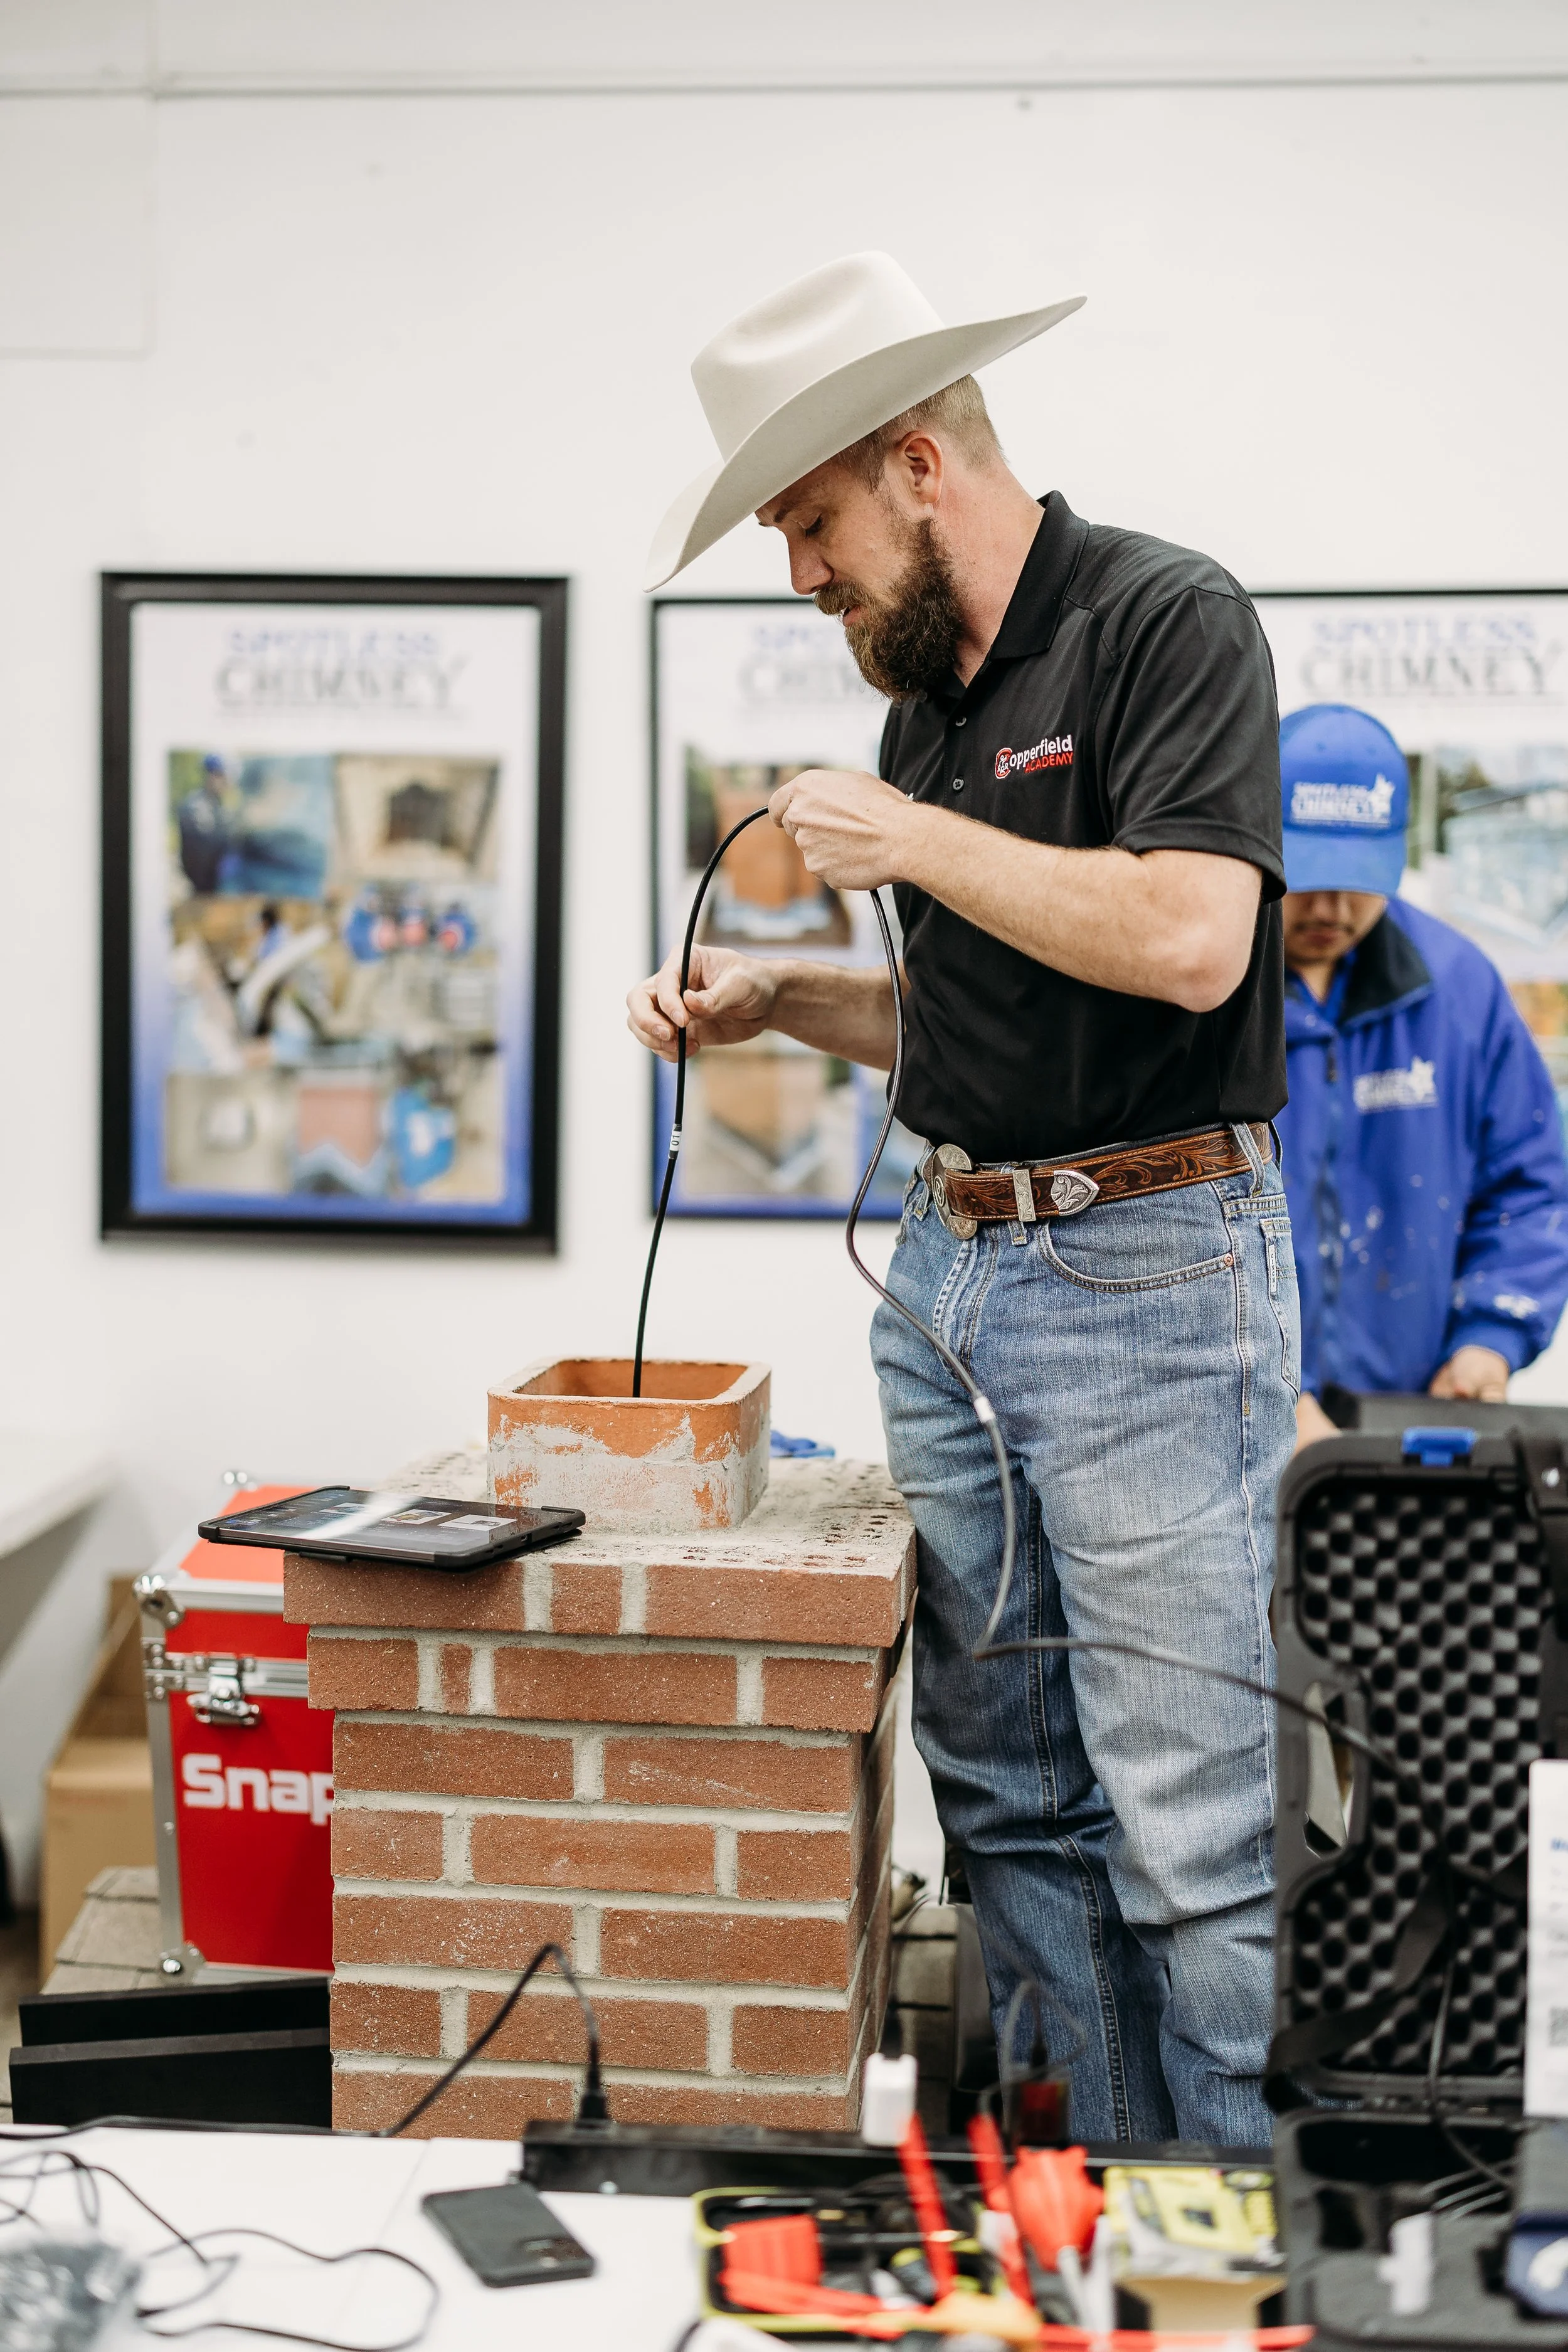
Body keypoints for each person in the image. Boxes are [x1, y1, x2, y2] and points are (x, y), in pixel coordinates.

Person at [628, 252, 1298, 2146]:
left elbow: (1181, 938)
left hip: (1155, 1283)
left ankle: (1229, 2256)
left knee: (1188, 1827)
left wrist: (907, 834)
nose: (800, 574)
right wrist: (797, 1003)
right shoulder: (923, 697)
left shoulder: (1165, 620)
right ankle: (1081, 2221)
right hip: (953, 1279)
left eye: (812, 522)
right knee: (1006, 1802)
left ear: (914, 460)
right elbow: (984, 1011)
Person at [1274, 704, 1568, 1448]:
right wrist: (1267, 1388)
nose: (1332, 908)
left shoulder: (1462, 990)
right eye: (1308, 876)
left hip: (1412, 1432)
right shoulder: (1200, 995)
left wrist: (1490, 1335)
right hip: (1236, 1432)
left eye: (1359, 880)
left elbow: (1528, 1185)